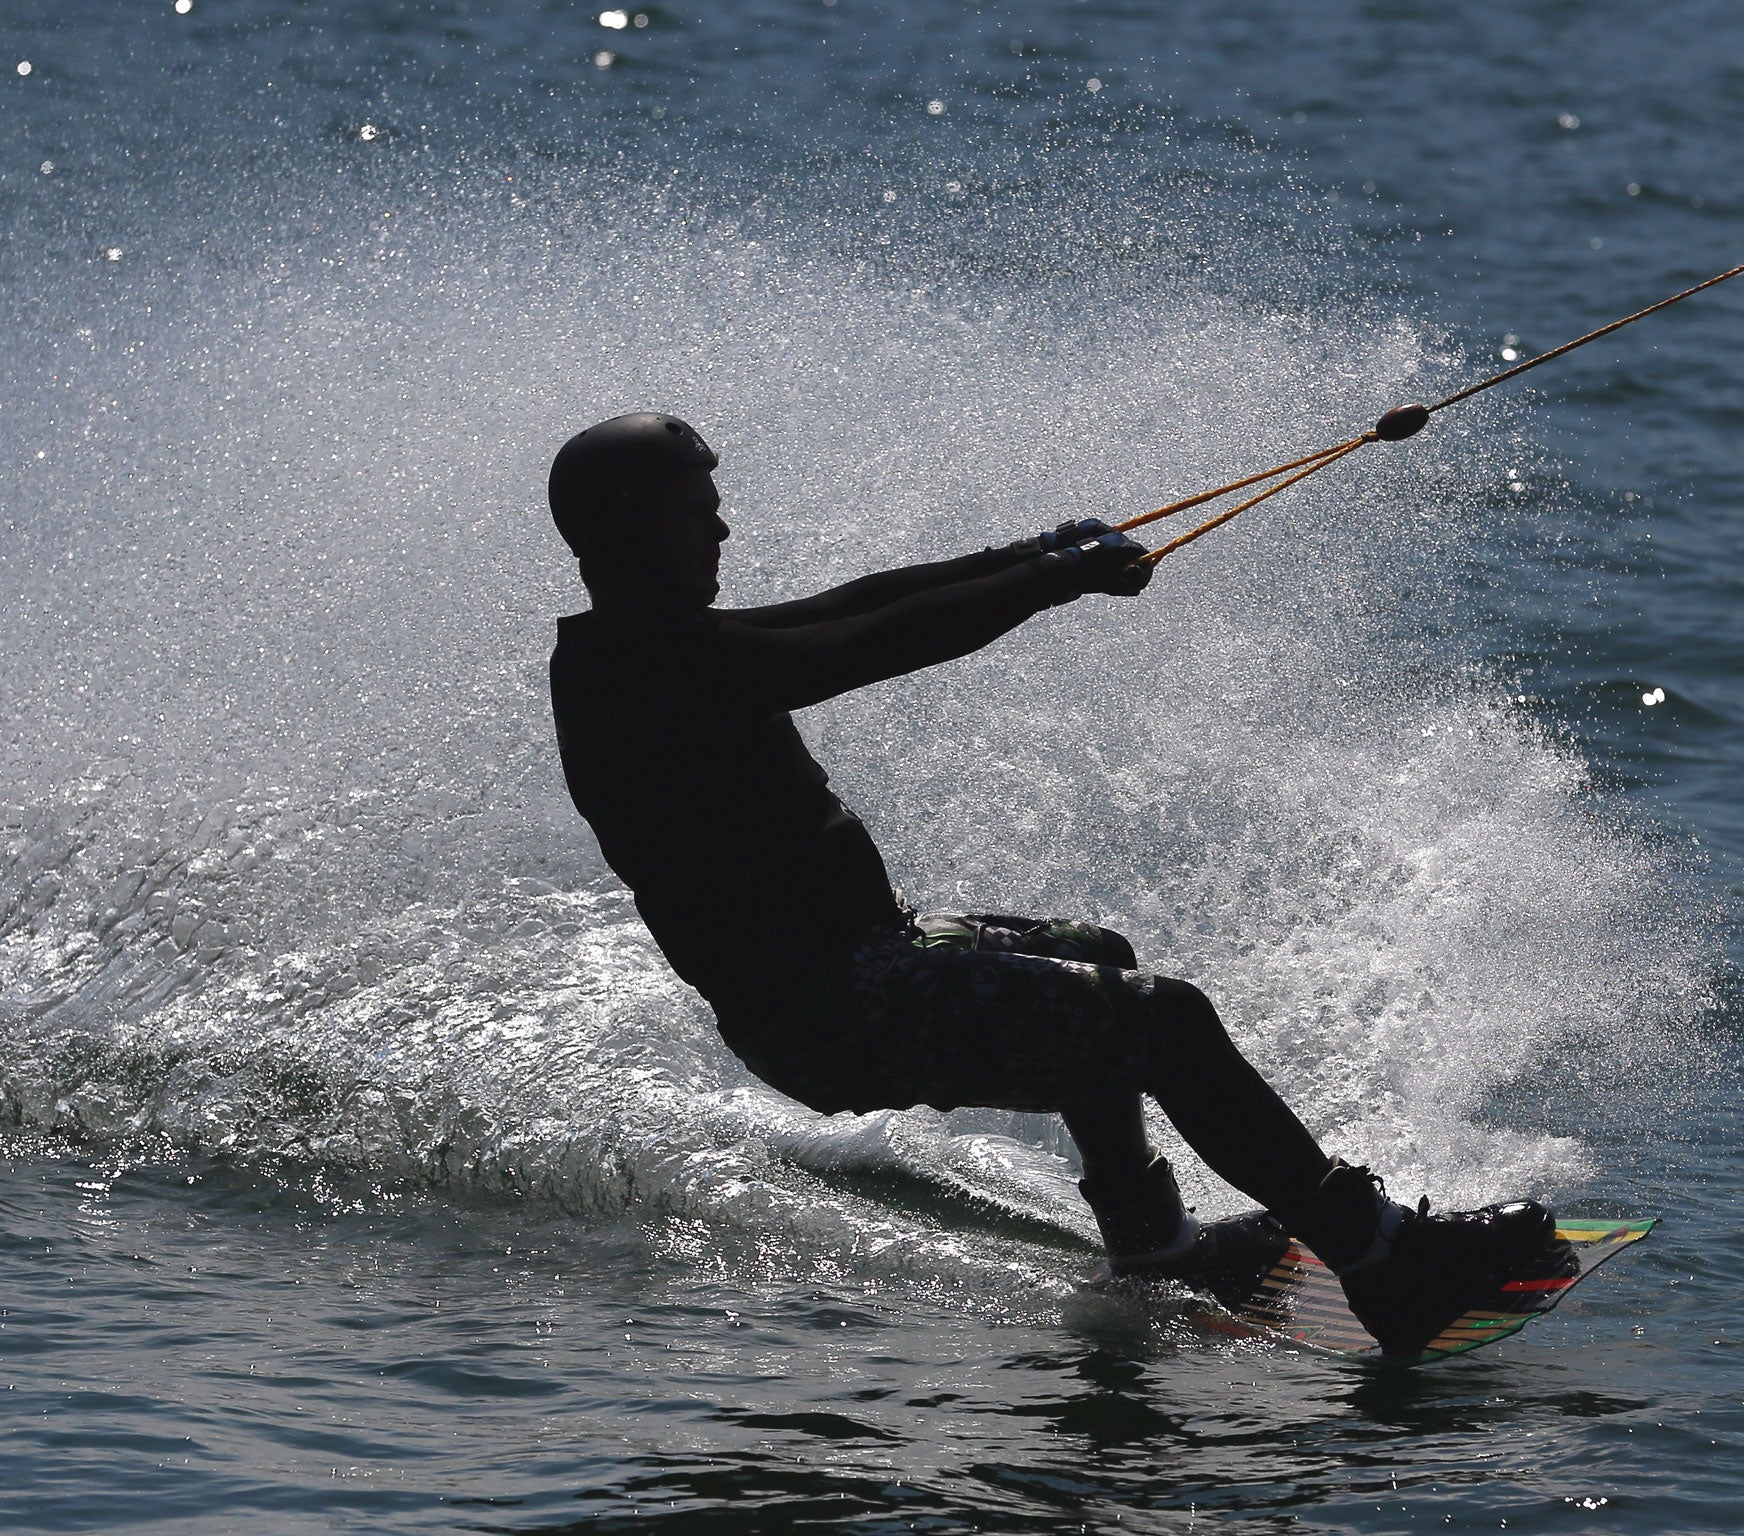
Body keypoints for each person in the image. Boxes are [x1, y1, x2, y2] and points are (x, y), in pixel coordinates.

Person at [546, 411, 1568, 1358]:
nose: (720, 526)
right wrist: (1055, 582)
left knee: (1094, 961)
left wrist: (1028, 554)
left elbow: (846, 603)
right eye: (694, 510)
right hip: (830, 1011)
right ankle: (1380, 1259)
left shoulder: (658, 644)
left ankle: (1150, 1245)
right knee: (1161, 1021)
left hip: (869, 959)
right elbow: (869, 643)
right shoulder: (635, 675)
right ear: (627, 530)